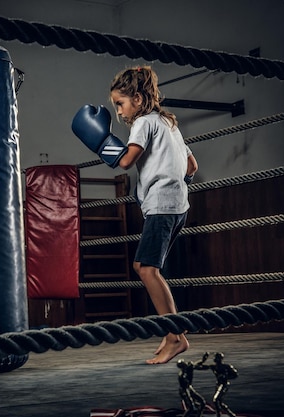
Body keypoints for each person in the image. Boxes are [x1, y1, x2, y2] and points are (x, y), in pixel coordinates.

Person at [72, 66, 198, 364]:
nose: (119, 110)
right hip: (178, 206)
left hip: (161, 206)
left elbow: (126, 161)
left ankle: (175, 336)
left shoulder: (143, 123)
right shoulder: (169, 123)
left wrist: (101, 141)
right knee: (147, 266)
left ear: (138, 100)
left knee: (146, 269)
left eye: (121, 103)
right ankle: (173, 333)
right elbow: (191, 166)